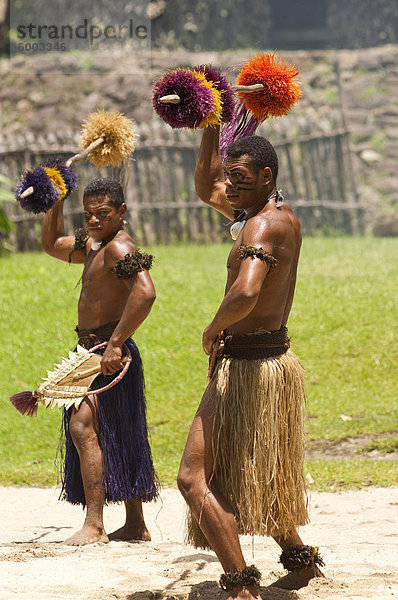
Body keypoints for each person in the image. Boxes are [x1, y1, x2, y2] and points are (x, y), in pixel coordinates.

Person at [177, 127, 324, 598]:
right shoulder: (272, 215)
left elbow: (245, 290)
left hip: (246, 366)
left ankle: (241, 587)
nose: (229, 185)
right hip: (268, 361)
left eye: (239, 177)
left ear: (267, 175)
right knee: (255, 469)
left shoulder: (260, 226)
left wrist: (213, 327)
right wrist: (209, 125)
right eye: (229, 175)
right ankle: (300, 563)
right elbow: (205, 187)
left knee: (192, 478)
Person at [42, 177, 158, 546]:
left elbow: (145, 291)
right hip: (97, 350)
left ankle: (94, 524)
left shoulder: (118, 247)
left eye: (102, 214)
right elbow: (51, 245)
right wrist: (55, 201)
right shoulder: (95, 245)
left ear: (121, 212)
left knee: (82, 427)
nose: (93, 220)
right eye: (87, 213)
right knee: (121, 431)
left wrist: (116, 343)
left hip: (107, 353)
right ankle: (136, 524)